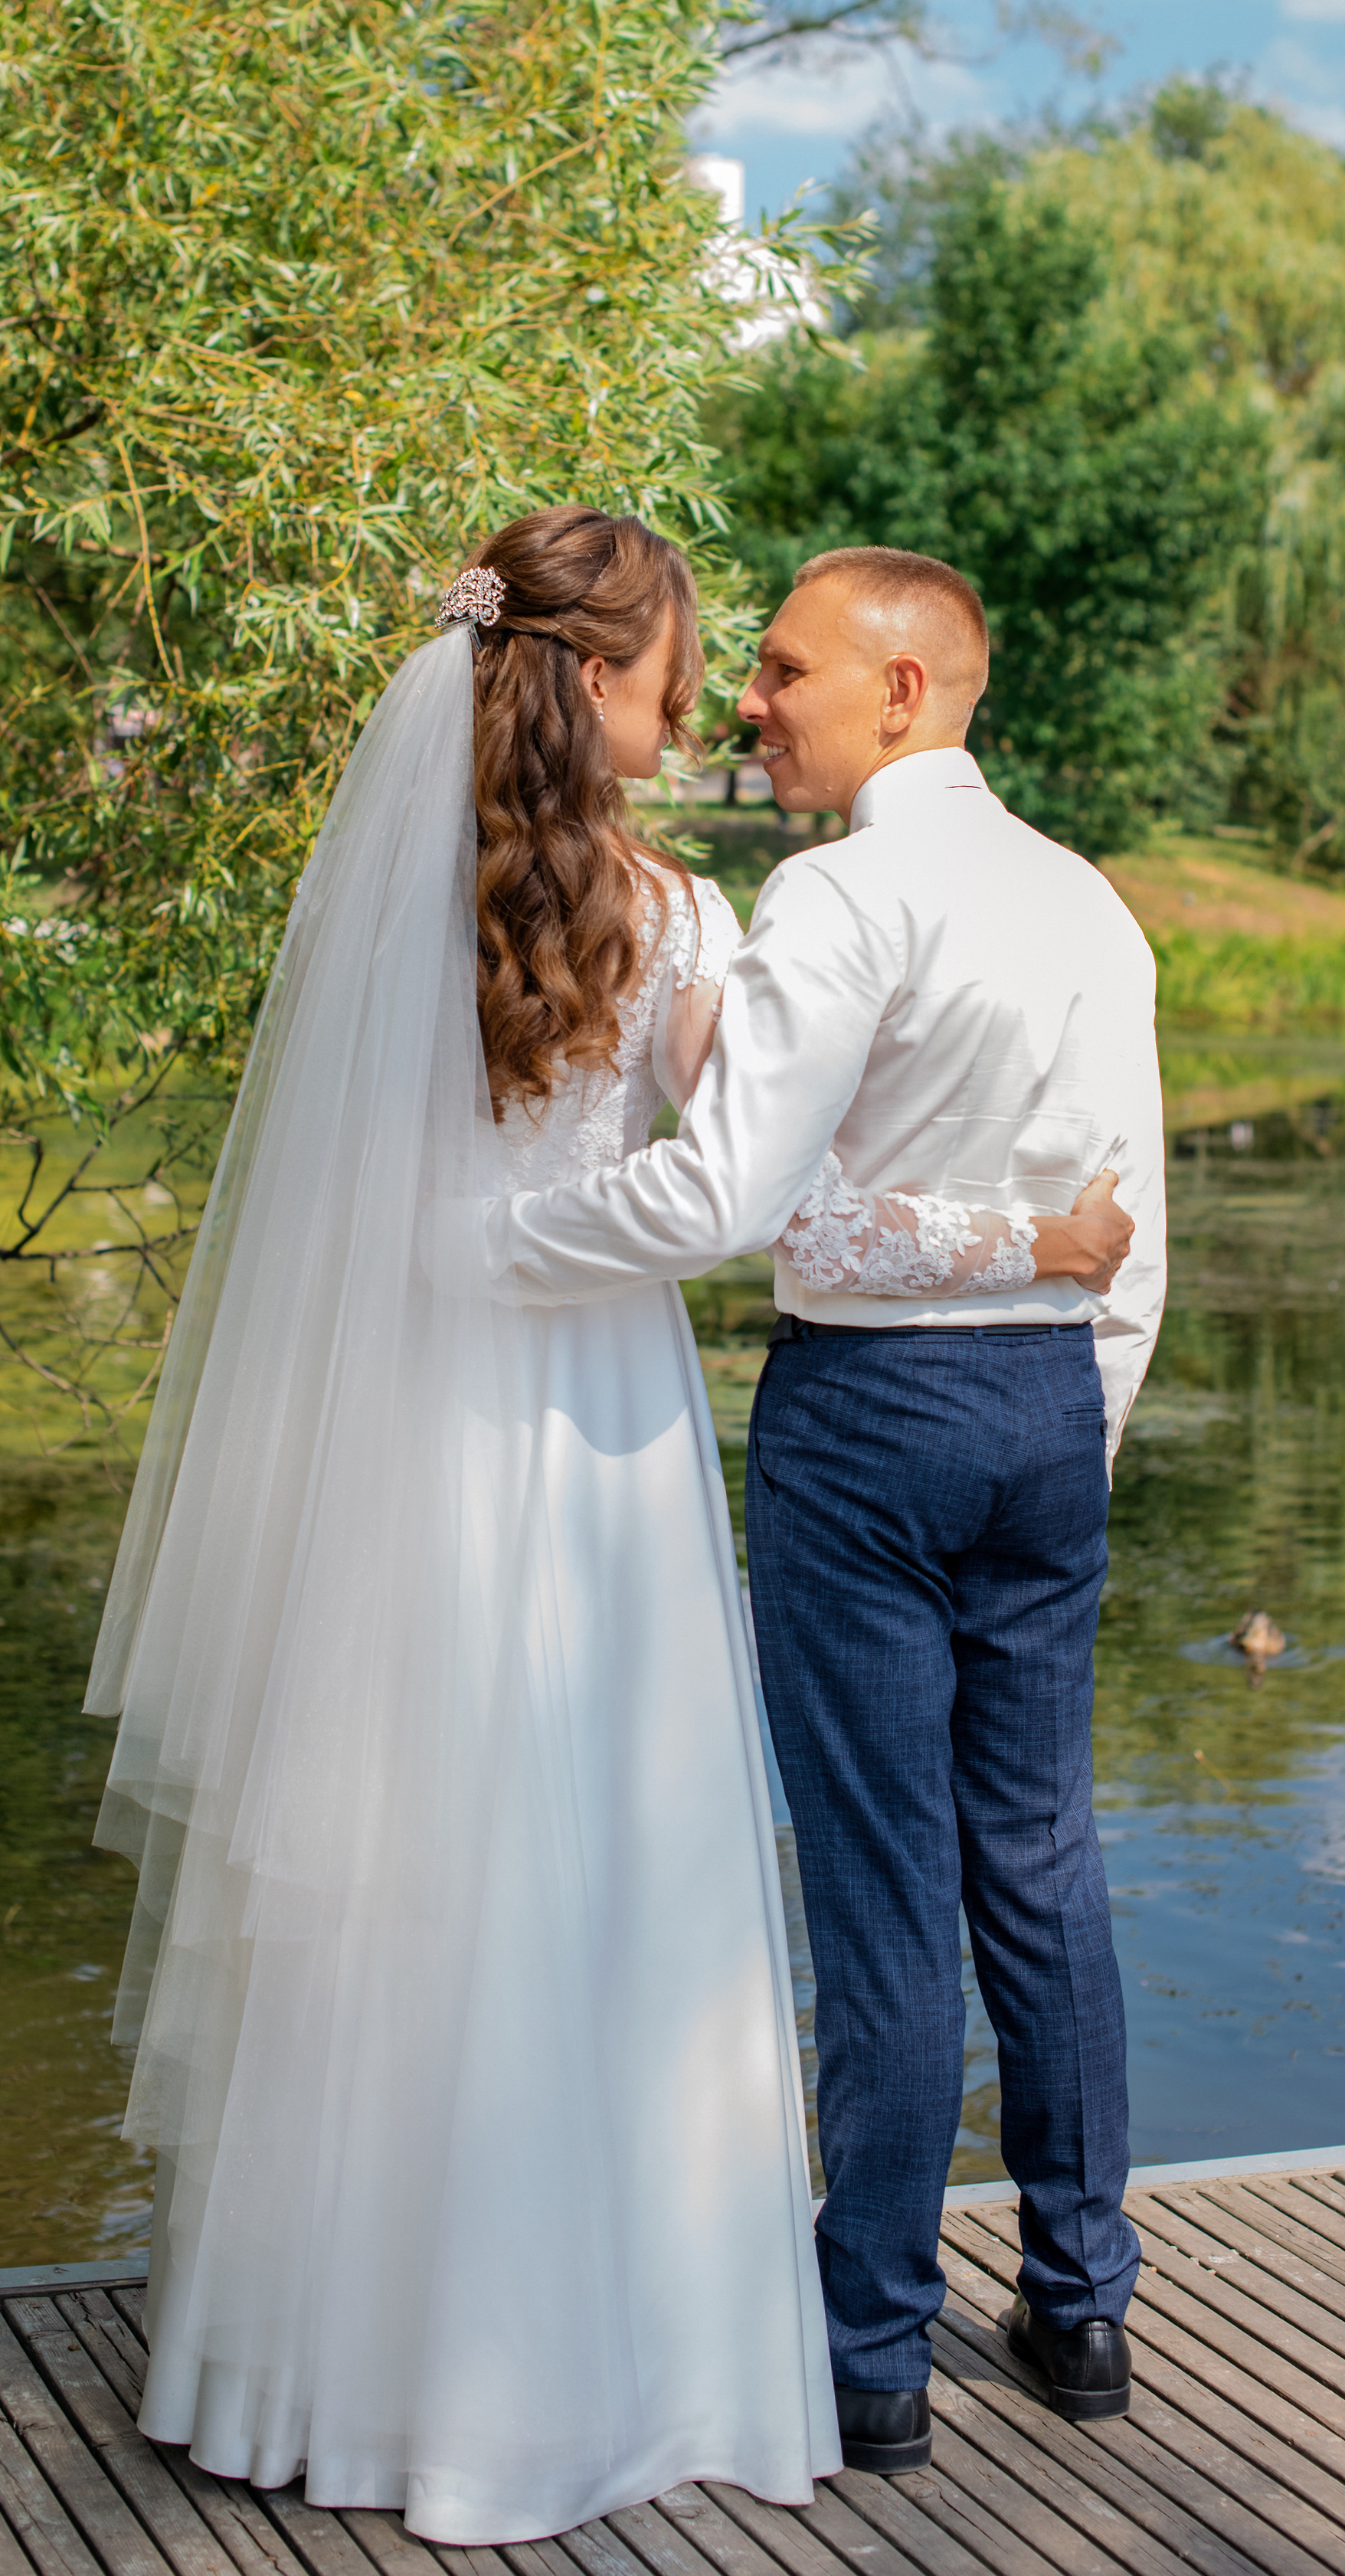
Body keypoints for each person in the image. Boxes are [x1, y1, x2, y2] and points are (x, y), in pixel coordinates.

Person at [476, 544, 1165, 2473]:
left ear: (904, 692)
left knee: (876, 1886)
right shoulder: (1087, 905)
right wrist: (1068, 1414)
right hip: (1044, 1402)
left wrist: (489, 1250)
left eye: (783, 671)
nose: (752, 701)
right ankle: (1085, 2299)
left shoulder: (842, 893)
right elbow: (1141, 1220)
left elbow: (727, 1200)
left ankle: (872, 2347)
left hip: (869, 1418)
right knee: (1040, 1855)